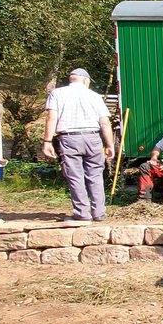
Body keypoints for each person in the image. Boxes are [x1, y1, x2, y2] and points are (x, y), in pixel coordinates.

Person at [41, 68, 115, 222]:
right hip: (93, 138)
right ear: (86, 81)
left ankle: (82, 212)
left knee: (75, 176)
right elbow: (105, 123)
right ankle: (99, 212)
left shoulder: (57, 93)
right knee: (95, 175)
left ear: (71, 79)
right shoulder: (94, 96)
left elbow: (51, 118)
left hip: (69, 138)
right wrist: (110, 144)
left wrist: (47, 141)